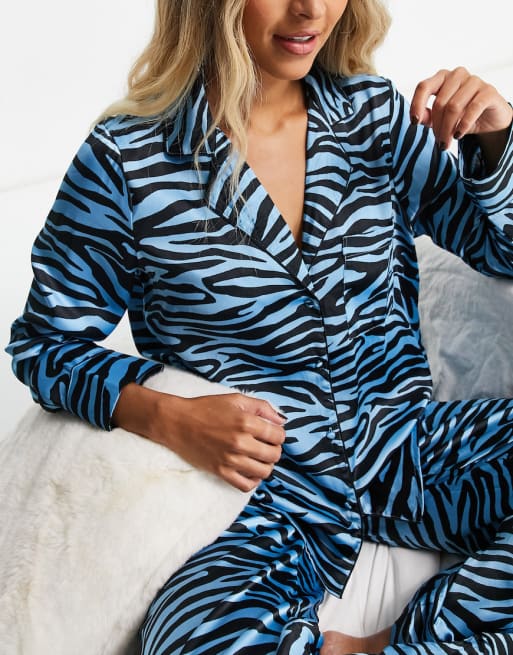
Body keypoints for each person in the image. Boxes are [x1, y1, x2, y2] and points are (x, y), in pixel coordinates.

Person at [6, 0, 513, 653]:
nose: (310, 9)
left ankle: (403, 642)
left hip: (405, 445)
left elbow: (498, 250)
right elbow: (46, 345)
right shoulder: (126, 161)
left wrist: (497, 139)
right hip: (268, 490)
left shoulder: (373, 117)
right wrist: (168, 416)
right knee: (189, 635)